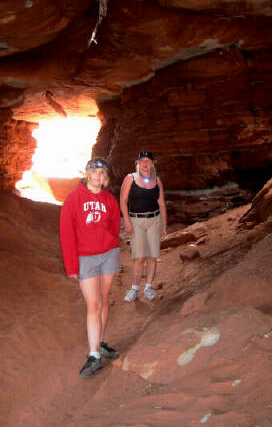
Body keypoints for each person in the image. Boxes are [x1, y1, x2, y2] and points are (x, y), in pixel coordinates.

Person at [59, 157, 121, 378]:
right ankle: (94, 355)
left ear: (106, 179)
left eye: (102, 174)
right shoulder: (73, 200)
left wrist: (109, 244)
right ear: (87, 174)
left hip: (108, 255)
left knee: (104, 299)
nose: (98, 176)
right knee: (93, 304)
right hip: (86, 259)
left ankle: (100, 342)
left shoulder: (110, 200)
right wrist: (72, 266)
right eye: (94, 172)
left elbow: (115, 226)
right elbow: (67, 234)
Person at [120, 151, 167, 302]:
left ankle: (148, 287)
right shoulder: (130, 179)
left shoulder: (156, 180)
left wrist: (164, 224)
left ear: (152, 164)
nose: (145, 164)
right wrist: (126, 221)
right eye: (142, 161)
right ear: (138, 163)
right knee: (139, 257)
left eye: (148, 161)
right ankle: (134, 288)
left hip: (154, 220)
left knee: (152, 256)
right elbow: (123, 200)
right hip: (136, 221)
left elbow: (161, 203)